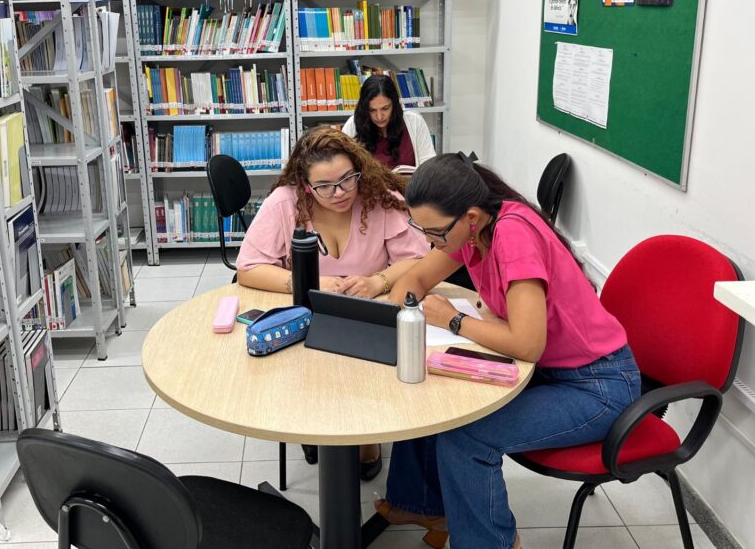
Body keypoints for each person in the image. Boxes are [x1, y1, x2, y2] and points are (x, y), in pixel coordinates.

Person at [375, 153, 641, 549]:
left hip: (597, 386)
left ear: (470, 217)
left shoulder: (513, 235)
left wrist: (453, 320)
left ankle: (492, 542)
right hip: (550, 370)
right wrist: (408, 311)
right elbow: (415, 276)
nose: (428, 240)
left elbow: (527, 344)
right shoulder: (469, 229)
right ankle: (423, 504)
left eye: (434, 232)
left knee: (466, 439)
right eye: (420, 228)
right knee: (432, 395)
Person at [236, 126, 431, 479]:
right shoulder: (285, 202)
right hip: (306, 316)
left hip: (367, 316)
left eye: (347, 180)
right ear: (305, 186)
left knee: (373, 364)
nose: (340, 193)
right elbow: (248, 268)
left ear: (360, 170)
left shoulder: (380, 198)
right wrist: (310, 284)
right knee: (309, 366)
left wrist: (379, 281)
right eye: (324, 187)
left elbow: (419, 259)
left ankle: (365, 432)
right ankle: (314, 424)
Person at [342, 75, 436, 171]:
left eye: (385, 108)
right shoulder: (352, 126)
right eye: (372, 110)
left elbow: (428, 168)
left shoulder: (414, 121)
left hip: (410, 186)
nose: (379, 116)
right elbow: (343, 169)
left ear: (394, 104)